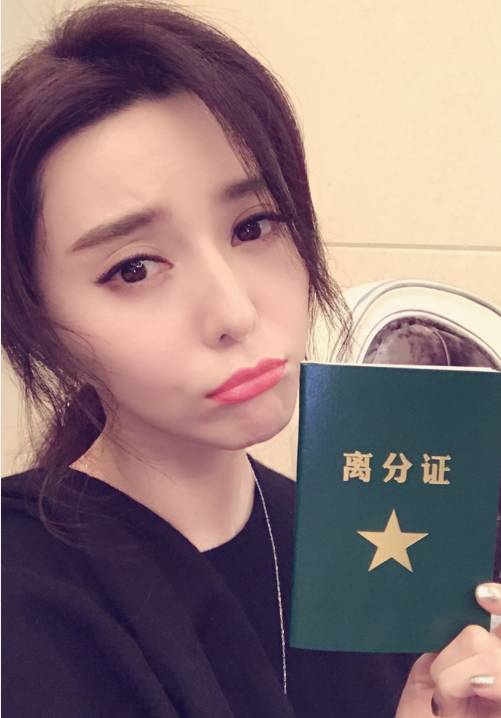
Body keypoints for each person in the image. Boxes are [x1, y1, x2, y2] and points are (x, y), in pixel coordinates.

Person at [2, 2, 500, 716]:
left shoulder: (368, 545)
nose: (234, 312)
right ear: (39, 323)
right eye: (135, 267)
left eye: (253, 225)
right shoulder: (23, 598)